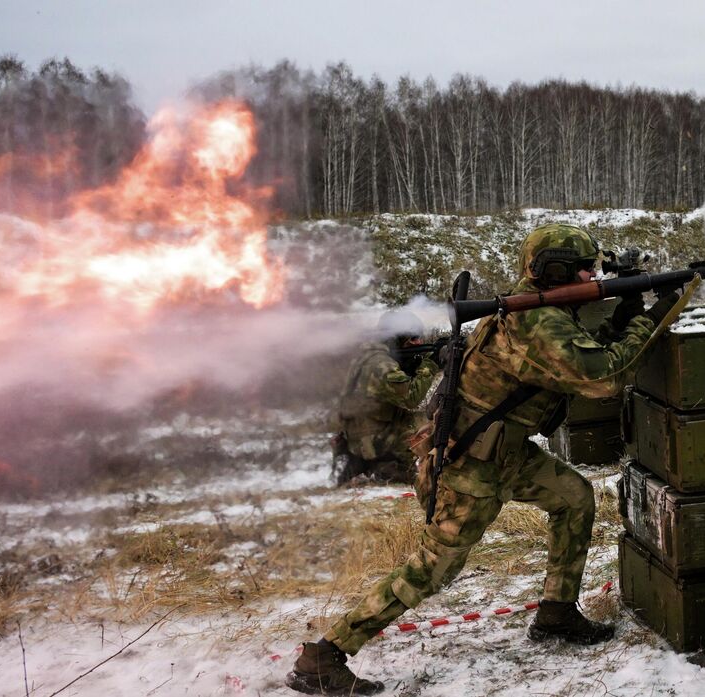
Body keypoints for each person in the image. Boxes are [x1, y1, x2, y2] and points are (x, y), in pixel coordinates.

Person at [287, 224, 680, 695]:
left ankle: (556, 613)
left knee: (573, 497)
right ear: (554, 270)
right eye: (582, 268)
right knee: (433, 568)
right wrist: (653, 314)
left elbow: (587, 351)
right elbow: (603, 376)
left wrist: (629, 306)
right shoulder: (537, 321)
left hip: (505, 451)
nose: (591, 274)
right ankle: (325, 655)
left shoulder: (537, 304)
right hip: (472, 464)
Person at [333, 310, 441, 486]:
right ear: (396, 338)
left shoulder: (368, 356)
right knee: (431, 424)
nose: (419, 342)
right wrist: (431, 365)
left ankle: (375, 468)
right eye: (413, 339)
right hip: (374, 446)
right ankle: (388, 470)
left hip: (360, 440)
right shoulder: (381, 364)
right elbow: (411, 398)